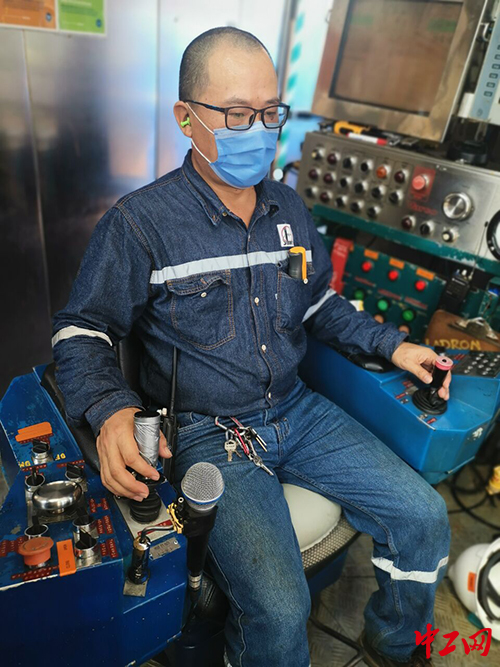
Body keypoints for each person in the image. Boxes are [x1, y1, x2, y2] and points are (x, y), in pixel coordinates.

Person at [52, 27, 451, 667]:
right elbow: (81, 329)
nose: (259, 131)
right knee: (280, 608)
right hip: (209, 434)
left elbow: (317, 302)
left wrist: (394, 346)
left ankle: (397, 645)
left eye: (270, 113)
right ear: (186, 118)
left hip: (298, 410)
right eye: (237, 115)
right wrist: (110, 410)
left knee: (424, 517)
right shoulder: (140, 224)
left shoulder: (288, 208)